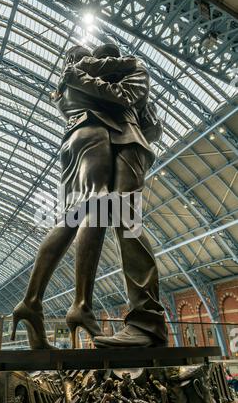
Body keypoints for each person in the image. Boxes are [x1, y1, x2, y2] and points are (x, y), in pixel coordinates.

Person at [11, 42, 167, 349]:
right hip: (107, 139)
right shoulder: (110, 72)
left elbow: (145, 117)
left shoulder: (123, 72)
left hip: (112, 143)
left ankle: (36, 302)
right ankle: (127, 317)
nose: (101, 62)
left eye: (106, 59)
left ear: (113, 58)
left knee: (86, 216)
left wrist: (82, 74)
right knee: (115, 216)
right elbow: (146, 119)